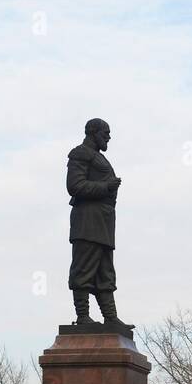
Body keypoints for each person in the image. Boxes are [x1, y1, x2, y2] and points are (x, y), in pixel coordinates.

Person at [66, 119, 123, 325]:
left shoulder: (99, 157)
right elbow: (74, 186)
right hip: (87, 221)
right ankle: (82, 316)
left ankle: (110, 317)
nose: (109, 137)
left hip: (104, 223)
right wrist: (106, 187)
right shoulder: (80, 153)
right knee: (84, 268)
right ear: (93, 132)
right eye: (105, 133)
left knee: (105, 271)